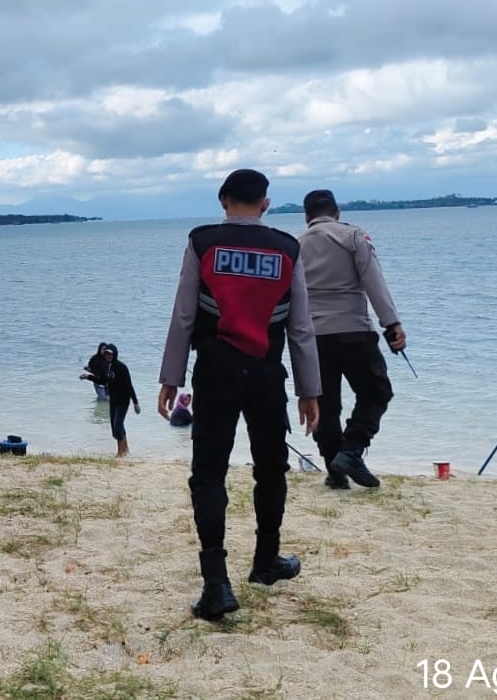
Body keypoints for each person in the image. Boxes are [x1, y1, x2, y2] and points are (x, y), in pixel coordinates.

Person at [157, 168, 320, 621]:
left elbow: (183, 315)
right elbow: (302, 328)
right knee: (271, 468)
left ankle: (216, 584)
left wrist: (170, 377)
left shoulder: (202, 242)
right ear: (265, 204)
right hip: (268, 374)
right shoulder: (288, 248)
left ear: (223, 200)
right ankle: (266, 562)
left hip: (215, 372)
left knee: (208, 473)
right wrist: (311, 391)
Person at [297, 189, 405, 491]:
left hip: (313, 338)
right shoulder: (354, 237)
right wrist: (392, 323)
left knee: (325, 405)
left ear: (307, 217)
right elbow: (374, 282)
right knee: (377, 392)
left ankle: (336, 466)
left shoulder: (296, 245)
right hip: (354, 331)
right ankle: (351, 450)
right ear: (337, 212)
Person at [98, 344, 141, 457]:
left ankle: (120, 452)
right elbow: (103, 381)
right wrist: (88, 377)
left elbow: (129, 385)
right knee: (115, 428)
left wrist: (135, 402)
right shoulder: (107, 367)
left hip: (123, 401)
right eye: (106, 354)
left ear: (115, 354)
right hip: (113, 401)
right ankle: (125, 449)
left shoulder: (122, 367)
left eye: (110, 354)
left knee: (118, 427)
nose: (108, 356)